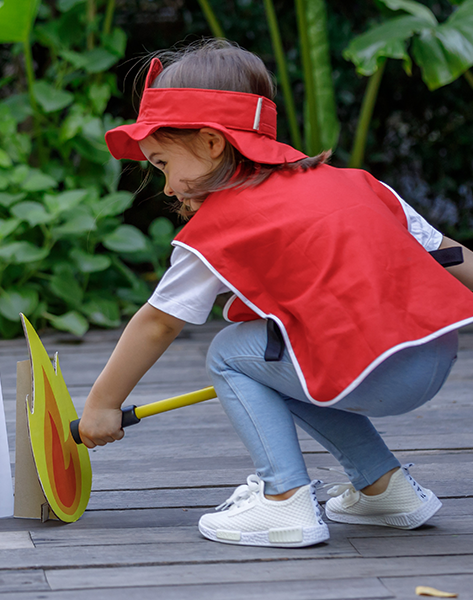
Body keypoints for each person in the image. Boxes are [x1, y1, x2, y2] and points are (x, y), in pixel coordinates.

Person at [78, 40, 473, 548]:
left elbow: (159, 322)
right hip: (436, 354)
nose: (168, 187)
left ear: (211, 142)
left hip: (379, 374)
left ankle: (283, 502)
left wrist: (101, 405)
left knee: (230, 353)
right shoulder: (355, 182)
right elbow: (450, 254)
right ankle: (384, 488)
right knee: (290, 350)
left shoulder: (222, 228)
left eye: (161, 162)